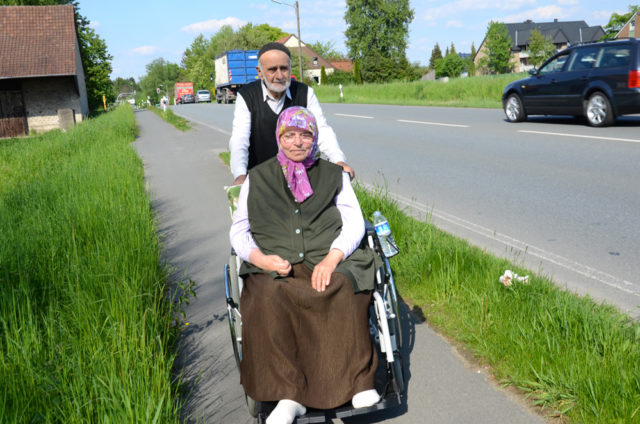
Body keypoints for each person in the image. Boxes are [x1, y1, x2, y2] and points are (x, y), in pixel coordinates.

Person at [229, 106, 380, 424]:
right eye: (290, 135)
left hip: (326, 255)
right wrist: (260, 259)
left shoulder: (333, 174)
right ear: (279, 138)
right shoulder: (257, 178)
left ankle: (358, 383)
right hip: (275, 261)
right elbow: (239, 230)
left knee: (343, 286)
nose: (298, 142)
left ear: (314, 138)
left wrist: (333, 257)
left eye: (305, 135)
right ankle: (289, 396)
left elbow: (354, 222)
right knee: (268, 294)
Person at [228, 42, 354, 186]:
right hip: (261, 178)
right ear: (260, 72)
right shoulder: (247, 96)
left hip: (302, 177)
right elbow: (240, 138)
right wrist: (240, 174)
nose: (279, 75)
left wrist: (338, 160)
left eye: (284, 68)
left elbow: (321, 130)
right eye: (272, 69)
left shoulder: (304, 93)